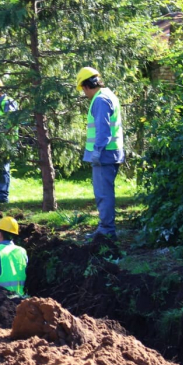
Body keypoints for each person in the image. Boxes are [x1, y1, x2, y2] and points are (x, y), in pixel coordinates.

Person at [76, 67, 125, 240]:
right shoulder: (108, 95)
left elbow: (103, 131)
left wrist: (97, 151)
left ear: (86, 85)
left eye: (82, 89)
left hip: (105, 154)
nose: (83, 93)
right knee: (105, 193)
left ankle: (106, 232)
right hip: (111, 153)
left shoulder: (100, 100)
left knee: (103, 194)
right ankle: (106, 229)